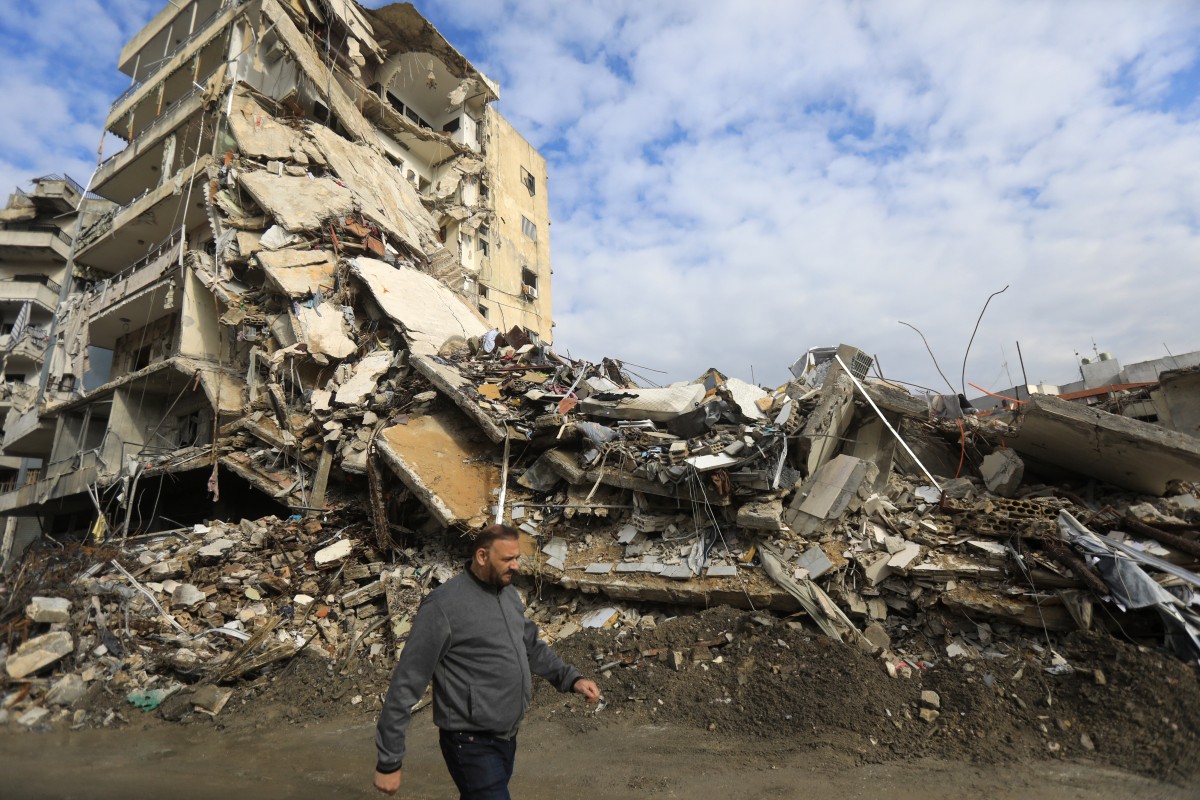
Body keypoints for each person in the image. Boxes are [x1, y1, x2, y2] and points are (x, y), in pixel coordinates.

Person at [374, 523, 600, 798]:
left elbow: (530, 646)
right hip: (469, 741)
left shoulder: (507, 595)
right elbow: (408, 680)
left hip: (505, 736)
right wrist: (389, 760)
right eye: (508, 559)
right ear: (482, 556)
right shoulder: (443, 606)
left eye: (517, 558)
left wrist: (571, 679)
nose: (516, 566)